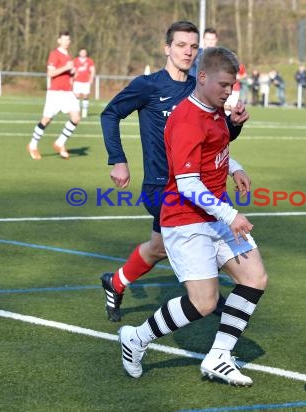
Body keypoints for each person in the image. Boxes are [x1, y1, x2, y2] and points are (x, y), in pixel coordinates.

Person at [117, 46, 268, 386]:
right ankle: (136, 338)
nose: (229, 92)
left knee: (255, 277)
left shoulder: (213, 110)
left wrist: (236, 167)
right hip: (186, 219)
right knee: (204, 302)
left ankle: (219, 356)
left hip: (214, 215)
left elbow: (213, 149)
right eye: (224, 85)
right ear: (202, 78)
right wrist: (230, 214)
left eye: (232, 85)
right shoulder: (185, 119)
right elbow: (187, 184)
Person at [100, 21, 251, 323]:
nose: (188, 52)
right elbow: (110, 113)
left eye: (194, 47)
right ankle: (208, 295)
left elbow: (212, 140)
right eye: (181, 45)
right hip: (162, 188)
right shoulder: (149, 86)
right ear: (166, 48)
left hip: (195, 186)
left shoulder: (200, 87)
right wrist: (118, 159)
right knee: (196, 234)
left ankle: (115, 282)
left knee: (158, 248)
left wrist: (233, 126)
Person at [28, 31, 80, 160]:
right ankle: (33, 145)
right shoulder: (54, 54)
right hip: (55, 93)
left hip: (67, 92)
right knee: (46, 119)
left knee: (76, 118)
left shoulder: (69, 56)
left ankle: (59, 143)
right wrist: (66, 68)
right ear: (59, 40)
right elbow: (50, 74)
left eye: (68, 40)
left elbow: (68, 74)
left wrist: (73, 73)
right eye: (64, 39)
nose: (67, 42)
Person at [72, 48, 96, 118]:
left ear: (86, 53)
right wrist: (73, 76)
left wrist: (91, 78)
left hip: (86, 82)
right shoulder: (75, 60)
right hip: (77, 81)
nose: (83, 53)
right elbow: (72, 70)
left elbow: (93, 70)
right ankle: (76, 112)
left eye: (84, 52)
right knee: (76, 97)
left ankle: (84, 113)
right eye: (82, 52)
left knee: (85, 96)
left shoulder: (89, 61)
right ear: (79, 53)